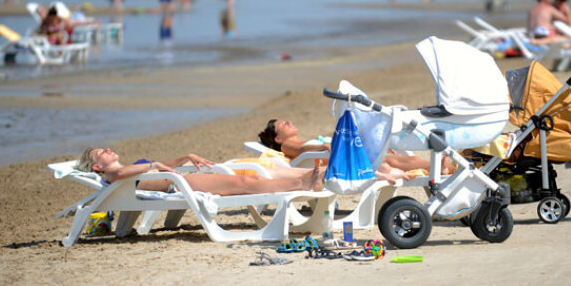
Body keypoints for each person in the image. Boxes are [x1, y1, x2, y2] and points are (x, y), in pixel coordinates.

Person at [76, 148, 324, 196]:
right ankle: (302, 184)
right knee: (246, 183)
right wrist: (152, 166)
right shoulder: (112, 175)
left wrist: (185, 156)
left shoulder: (132, 167)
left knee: (246, 181)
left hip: (180, 179)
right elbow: (153, 168)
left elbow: (161, 165)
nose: (108, 149)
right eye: (101, 153)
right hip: (180, 185)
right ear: (97, 167)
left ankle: (304, 179)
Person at [258, 119, 440, 182]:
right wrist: (323, 146)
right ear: (278, 138)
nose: (289, 122)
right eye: (283, 124)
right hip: (337, 161)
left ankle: (438, 167)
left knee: (388, 159)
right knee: (389, 161)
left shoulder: (301, 142)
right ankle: (439, 166)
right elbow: (303, 150)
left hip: (341, 155)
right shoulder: (287, 146)